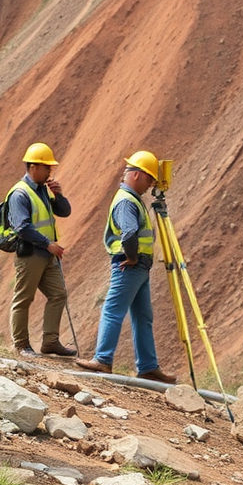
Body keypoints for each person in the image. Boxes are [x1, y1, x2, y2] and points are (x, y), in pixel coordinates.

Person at [75, 150, 176, 383]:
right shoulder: (126, 201)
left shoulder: (133, 200)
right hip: (130, 266)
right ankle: (103, 359)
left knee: (142, 317)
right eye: (150, 179)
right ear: (137, 175)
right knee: (114, 310)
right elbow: (129, 232)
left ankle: (148, 366)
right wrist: (131, 256)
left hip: (139, 268)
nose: (151, 184)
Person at [6, 142, 76, 358]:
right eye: (47, 167)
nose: (50, 172)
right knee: (24, 298)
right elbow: (22, 227)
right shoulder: (20, 194)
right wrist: (48, 243)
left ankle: (50, 342)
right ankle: (21, 345)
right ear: (33, 167)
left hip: (47, 255)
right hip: (30, 254)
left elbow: (64, 212)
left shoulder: (43, 190)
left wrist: (59, 195)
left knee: (58, 294)